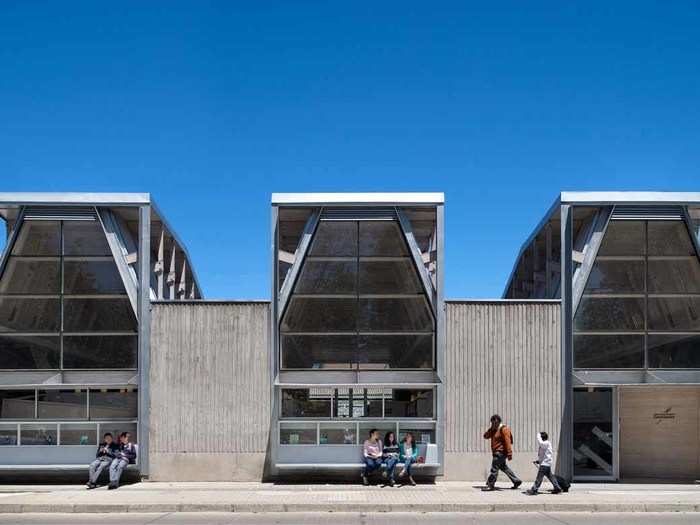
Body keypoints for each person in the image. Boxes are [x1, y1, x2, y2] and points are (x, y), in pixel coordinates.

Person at [483, 414, 521, 491]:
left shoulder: (503, 429)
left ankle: (490, 484)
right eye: (492, 423)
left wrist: (509, 453)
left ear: (499, 421)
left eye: (495, 422)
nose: (493, 424)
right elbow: (485, 436)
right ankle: (516, 481)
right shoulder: (494, 430)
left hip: (500, 452)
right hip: (497, 452)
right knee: (504, 467)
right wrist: (491, 429)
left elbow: (508, 441)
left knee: (494, 468)